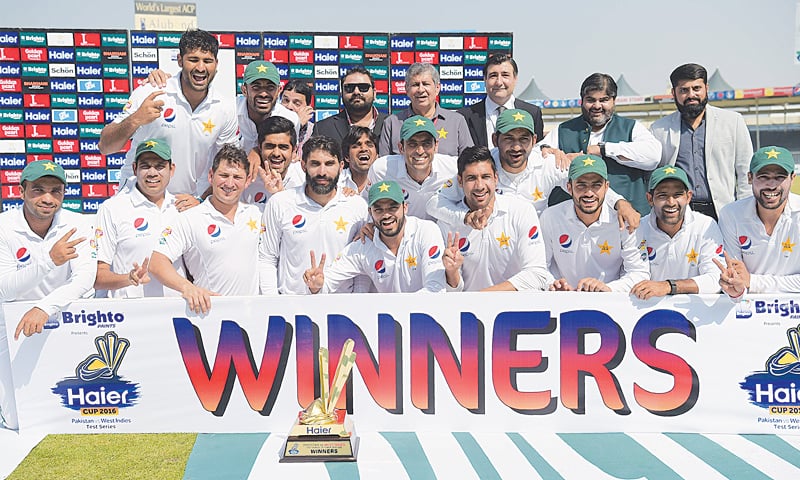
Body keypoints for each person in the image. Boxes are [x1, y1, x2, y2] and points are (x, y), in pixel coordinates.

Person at [426, 109, 638, 229]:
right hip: (490, 245)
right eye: (508, 139)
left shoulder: (547, 164)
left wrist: (621, 204)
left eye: (524, 139)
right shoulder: (483, 167)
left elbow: (585, 184)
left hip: (534, 249)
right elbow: (434, 203)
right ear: (495, 139)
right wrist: (464, 217)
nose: (516, 147)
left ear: (535, 139)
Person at [99, 29, 239, 203]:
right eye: (193, 60)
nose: (201, 68)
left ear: (216, 64)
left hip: (185, 204)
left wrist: (202, 199)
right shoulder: (151, 92)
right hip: (136, 201)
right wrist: (135, 119)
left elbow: (226, 165)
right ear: (180, 60)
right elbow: (105, 147)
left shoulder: (224, 108)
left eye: (207, 61)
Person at [149, 144, 262, 314]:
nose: (229, 183)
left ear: (247, 181)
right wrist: (187, 287)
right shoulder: (189, 218)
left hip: (252, 314)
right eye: (223, 175)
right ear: (211, 176)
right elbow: (156, 263)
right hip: (208, 316)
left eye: (237, 177)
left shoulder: (258, 213)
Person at [259, 136, 369, 295]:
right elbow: (267, 259)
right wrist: (273, 303)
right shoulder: (280, 203)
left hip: (343, 309)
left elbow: (361, 263)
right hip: (291, 308)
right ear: (303, 166)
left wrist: (358, 302)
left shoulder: (357, 206)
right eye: (315, 164)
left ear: (341, 166)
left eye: (329, 164)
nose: (322, 172)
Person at [539, 73, 661, 214]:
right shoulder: (564, 130)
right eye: (591, 100)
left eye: (603, 100)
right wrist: (551, 152)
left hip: (624, 221)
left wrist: (603, 150)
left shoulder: (631, 127)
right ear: (582, 101)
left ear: (614, 101)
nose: (597, 106)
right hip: (573, 225)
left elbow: (653, 156)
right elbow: (538, 155)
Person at [0, 160, 96, 339]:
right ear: (22, 191)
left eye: (55, 191)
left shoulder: (78, 224)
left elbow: (85, 279)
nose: (47, 199)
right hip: (15, 322)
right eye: (38, 190)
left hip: (68, 317)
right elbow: (4, 290)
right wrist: (49, 261)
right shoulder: (3, 227)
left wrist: (44, 307)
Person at [439, 146, 553, 291]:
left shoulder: (521, 211)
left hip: (515, 310)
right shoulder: (446, 222)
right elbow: (453, 292)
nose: (479, 186)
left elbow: (537, 275)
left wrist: (486, 297)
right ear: (460, 182)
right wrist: (452, 272)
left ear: (496, 178)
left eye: (485, 177)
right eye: (471, 178)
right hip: (470, 311)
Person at [650, 63, 754, 220]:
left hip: (723, 211)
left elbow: (745, 170)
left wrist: (745, 211)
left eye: (696, 88)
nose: (691, 95)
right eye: (684, 90)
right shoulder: (659, 129)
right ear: (674, 93)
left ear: (706, 88)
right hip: (680, 214)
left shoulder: (733, 122)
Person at [302, 180, 446, 293]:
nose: (386, 215)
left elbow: (435, 287)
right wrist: (316, 286)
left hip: (425, 323)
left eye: (393, 207)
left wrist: (403, 309)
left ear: (405, 207)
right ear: (370, 212)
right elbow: (326, 283)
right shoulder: (363, 246)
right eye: (379, 209)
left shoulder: (426, 231)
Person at [541, 154, 650, 292]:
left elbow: (639, 273)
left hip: (610, 305)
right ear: (569, 188)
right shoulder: (551, 217)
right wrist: (553, 285)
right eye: (581, 185)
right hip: (561, 303)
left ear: (606, 187)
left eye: (596, 185)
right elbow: (539, 266)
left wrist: (607, 289)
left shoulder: (624, 220)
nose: (589, 193)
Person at [94, 139, 183, 298]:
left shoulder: (182, 208)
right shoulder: (112, 208)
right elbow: (98, 277)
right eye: (145, 166)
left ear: (172, 169)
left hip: (176, 311)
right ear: (134, 169)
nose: (152, 173)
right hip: (130, 314)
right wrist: (128, 279)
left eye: (160, 166)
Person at [715, 146, 800, 298]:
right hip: (748, 308)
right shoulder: (731, 214)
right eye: (763, 177)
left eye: (780, 177)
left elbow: (747, 281)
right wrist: (738, 288)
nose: (771, 185)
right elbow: (736, 280)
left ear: (792, 178)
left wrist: (753, 282)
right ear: (749, 178)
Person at [630, 166, 723, 299]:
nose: (671, 202)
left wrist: (668, 286)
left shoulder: (706, 225)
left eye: (678, 195)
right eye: (663, 195)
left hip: (695, 313)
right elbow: (633, 276)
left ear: (688, 197)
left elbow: (716, 280)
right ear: (650, 199)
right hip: (646, 310)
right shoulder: (638, 229)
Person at [368, 116, 457, 220]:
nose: (420, 151)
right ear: (401, 147)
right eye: (412, 144)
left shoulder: (454, 168)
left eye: (426, 144)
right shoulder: (381, 169)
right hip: (401, 234)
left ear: (436, 146)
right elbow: (368, 203)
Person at [379, 62, 473, 157]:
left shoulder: (456, 121)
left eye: (426, 84)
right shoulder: (391, 123)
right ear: (407, 89)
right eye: (415, 85)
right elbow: (384, 167)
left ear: (437, 88)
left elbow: (470, 163)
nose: (420, 90)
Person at [458, 53, 544, 148]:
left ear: (515, 79)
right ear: (484, 80)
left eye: (505, 75)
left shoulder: (532, 113)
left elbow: (536, 152)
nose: (499, 82)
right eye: (493, 76)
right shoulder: (464, 117)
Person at [312, 66, 387, 148]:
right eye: (349, 88)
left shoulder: (392, 125)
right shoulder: (322, 128)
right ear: (342, 93)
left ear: (374, 93)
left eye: (363, 87)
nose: (356, 92)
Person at [241, 116, 304, 207]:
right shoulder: (247, 179)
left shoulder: (304, 178)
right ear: (259, 147)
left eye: (283, 147)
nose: (276, 153)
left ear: (294, 150)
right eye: (270, 146)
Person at [340, 126, 379, 198]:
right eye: (356, 146)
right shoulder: (337, 182)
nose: (364, 149)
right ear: (347, 157)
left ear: (377, 155)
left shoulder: (384, 180)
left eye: (369, 145)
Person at [281, 79, 315, 157]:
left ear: (308, 107)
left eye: (297, 103)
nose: (289, 106)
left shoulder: (315, 131)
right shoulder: (269, 126)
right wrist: (297, 125)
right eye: (286, 100)